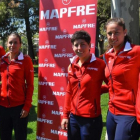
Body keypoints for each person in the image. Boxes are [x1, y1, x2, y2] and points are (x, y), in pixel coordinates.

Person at [61, 30, 107, 140]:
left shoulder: (100, 64)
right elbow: (69, 91)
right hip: (73, 119)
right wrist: (65, 115)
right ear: (72, 47)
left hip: (91, 119)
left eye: (83, 44)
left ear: (89, 45)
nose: (79, 48)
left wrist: (97, 90)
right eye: (76, 45)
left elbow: (113, 85)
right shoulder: (72, 65)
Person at [103, 17, 140, 140]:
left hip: (129, 113)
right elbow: (111, 82)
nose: (113, 36)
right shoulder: (107, 56)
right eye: (109, 33)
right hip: (111, 112)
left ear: (125, 32)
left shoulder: (136, 52)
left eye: (116, 32)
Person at [0, 32, 34, 140]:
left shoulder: (26, 60)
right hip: (3, 107)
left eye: (15, 42)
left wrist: (27, 106)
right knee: (5, 136)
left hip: (19, 107)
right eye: (10, 42)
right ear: (6, 44)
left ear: (20, 44)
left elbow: (30, 85)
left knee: (20, 136)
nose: (12, 45)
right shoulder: (2, 60)